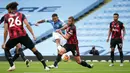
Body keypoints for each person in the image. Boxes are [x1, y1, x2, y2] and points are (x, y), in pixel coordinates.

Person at [1, 2, 50, 71]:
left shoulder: (6, 16)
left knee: (6, 48)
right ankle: (45, 66)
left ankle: (12, 65)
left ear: (10, 9)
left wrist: (4, 42)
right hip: (23, 36)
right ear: (16, 8)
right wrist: (33, 34)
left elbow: (5, 30)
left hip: (13, 37)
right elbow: (27, 25)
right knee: (35, 50)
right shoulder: (21, 15)